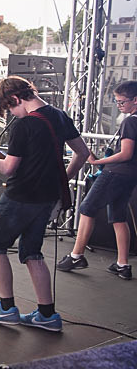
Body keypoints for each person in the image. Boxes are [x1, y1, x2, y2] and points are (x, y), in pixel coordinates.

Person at [0, 76, 89, 332]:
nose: (11, 114)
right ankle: (47, 314)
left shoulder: (24, 126)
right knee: (32, 252)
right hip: (47, 197)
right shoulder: (60, 116)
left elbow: (8, 167)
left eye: (9, 108)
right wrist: (61, 179)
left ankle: (5, 309)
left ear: (15, 99)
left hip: (20, 195)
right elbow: (82, 153)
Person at [57, 80, 137, 280]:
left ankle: (76, 255)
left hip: (116, 173)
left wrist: (99, 161)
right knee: (118, 216)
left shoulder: (130, 122)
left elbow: (126, 153)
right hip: (130, 176)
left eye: (121, 102)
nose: (119, 106)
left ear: (135, 100)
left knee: (87, 208)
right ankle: (122, 264)